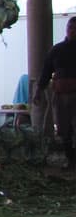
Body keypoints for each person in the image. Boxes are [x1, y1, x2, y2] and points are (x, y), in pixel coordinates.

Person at [35, 16, 76, 170]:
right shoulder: (57, 50)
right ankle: (70, 159)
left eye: (75, 29)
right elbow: (46, 71)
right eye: (70, 28)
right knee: (64, 129)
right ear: (67, 30)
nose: (73, 31)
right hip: (61, 95)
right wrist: (38, 90)